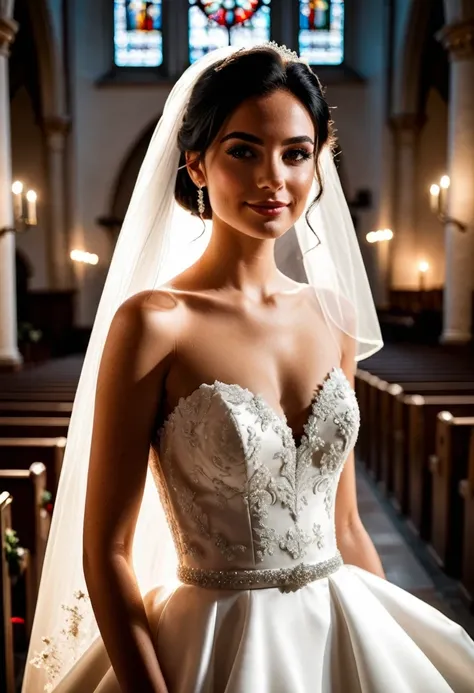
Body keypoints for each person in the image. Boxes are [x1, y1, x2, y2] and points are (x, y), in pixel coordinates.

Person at [24, 43, 474, 693]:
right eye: (244, 150)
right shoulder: (154, 322)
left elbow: (344, 523)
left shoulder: (335, 316)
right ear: (196, 163)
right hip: (213, 644)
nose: (274, 179)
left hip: (339, 622)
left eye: (296, 153)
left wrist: (384, 642)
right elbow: (108, 551)